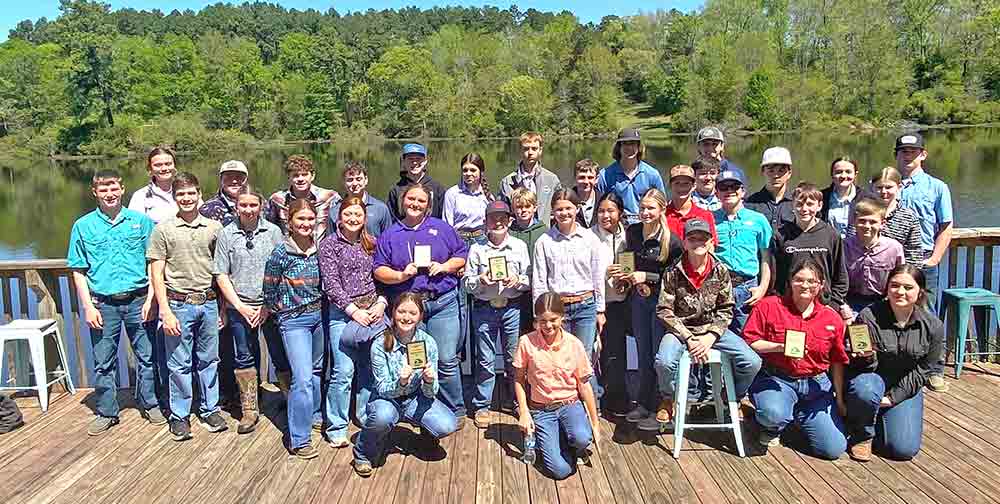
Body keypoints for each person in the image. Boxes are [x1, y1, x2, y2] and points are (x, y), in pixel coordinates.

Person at [67, 170, 163, 435]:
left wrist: (152, 299)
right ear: (95, 192)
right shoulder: (83, 226)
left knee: (146, 357)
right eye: (103, 189)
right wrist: (87, 306)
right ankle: (107, 411)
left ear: (122, 189)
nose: (109, 194)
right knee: (104, 360)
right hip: (103, 304)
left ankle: (150, 403)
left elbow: (154, 263)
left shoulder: (141, 222)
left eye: (113, 188)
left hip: (139, 300)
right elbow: (78, 269)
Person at [643, 219, 762, 431]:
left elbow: (727, 308)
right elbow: (664, 310)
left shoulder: (721, 270)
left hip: (712, 330)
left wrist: (710, 337)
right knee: (664, 362)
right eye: (692, 238)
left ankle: (732, 397)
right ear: (686, 243)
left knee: (752, 361)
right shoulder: (672, 271)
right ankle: (668, 399)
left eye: (703, 238)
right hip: (681, 330)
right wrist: (688, 338)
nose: (698, 242)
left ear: (710, 242)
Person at [374, 183, 469, 425]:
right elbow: (379, 270)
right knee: (413, 361)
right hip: (408, 309)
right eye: (411, 199)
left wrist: (445, 266)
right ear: (403, 201)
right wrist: (401, 276)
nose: (415, 204)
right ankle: (419, 408)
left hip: (442, 303)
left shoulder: (442, 228)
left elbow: (462, 254)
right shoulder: (390, 234)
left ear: (428, 206)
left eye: (421, 201)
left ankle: (455, 409)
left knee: (446, 359)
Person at [146, 172, 228, 441]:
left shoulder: (214, 228)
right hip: (178, 304)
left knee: (209, 360)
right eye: (181, 194)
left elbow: (222, 272)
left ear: (199, 194)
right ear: (174, 197)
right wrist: (165, 310)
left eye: (191, 193)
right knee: (178, 364)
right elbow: (156, 273)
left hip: (209, 303)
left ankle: (210, 409)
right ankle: (179, 415)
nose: (186, 198)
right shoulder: (163, 230)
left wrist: (223, 308)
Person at [743, 260, 849, 460]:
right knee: (772, 413)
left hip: (816, 386)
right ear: (790, 281)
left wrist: (840, 398)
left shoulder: (832, 318)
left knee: (833, 449)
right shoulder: (769, 306)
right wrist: (779, 347)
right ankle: (770, 424)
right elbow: (750, 341)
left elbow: (837, 361)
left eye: (811, 281)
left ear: (821, 285)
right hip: (777, 379)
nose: (805, 285)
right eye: (799, 280)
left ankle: (796, 417)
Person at [352, 292, 458, 476]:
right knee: (382, 416)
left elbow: (430, 393)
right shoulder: (380, 344)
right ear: (393, 313)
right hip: (386, 399)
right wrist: (400, 382)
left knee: (448, 424)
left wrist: (429, 380)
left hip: (415, 397)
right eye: (401, 311)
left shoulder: (428, 342)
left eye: (412, 313)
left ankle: (425, 438)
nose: (406, 317)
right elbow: (382, 388)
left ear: (420, 316)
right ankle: (362, 453)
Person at [844, 265, 943, 462]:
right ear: (887, 288)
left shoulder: (933, 326)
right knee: (865, 389)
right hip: (872, 378)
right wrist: (865, 356)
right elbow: (857, 367)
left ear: (920, 291)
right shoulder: (868, 316)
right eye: (894, 286)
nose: (900, 292)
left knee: (903, 449)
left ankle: (876, 418)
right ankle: (862, 435)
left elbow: (925, 369)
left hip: (906, 384)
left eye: (908, 287)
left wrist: (892, 398)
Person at [212, 186, 286, 434]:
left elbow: (281, 270)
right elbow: (221, 274)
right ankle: (250, 410)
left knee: (279, 354)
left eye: (253, 205)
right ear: (236, 206)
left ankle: (290, 399)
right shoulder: (226, 234)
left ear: (261, 206)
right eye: (243, 205)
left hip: (270, 306)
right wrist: (240, 306)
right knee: (243, 356)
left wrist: (267, 303)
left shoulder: (274, 232)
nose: (248, 209)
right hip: (239, 305)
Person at [320, 196, 388, 448]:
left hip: (373, 311)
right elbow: (331, 284)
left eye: (357, 214)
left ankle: (363, 414)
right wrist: (352, 311)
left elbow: (382, 277)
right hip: (343, 314)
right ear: (339, 217)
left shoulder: (373, 243)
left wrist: (381, 303)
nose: (353, 218)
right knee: (343, 371)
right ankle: (336, 425)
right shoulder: (329, 246)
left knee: (369, 367)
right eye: (348, 214)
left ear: (364, 218)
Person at [263, 199, 327, 459]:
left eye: (310, 219)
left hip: (318, 317)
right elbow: (269, 286)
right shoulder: (281, 252)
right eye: (300, 219)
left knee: (316, 371)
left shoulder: (320, 248)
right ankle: (299, 437)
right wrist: (279, 309)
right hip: (293, 321)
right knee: (301, 377)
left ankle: (313, 413)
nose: (306, 224)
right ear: (289, 222)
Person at [513, 293, 600, 480]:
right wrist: (524, 412)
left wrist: (595, 423)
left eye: (553, 320)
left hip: (569, 404)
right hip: (542, 409)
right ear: (536, 320)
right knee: (560, 471)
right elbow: (518, 379)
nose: (548, 326)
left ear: (562, 317)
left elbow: (584, 385)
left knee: (583, 438)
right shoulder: (526, 342)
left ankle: (566, 438)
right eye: (542, 321)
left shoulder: (574, 344)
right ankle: (556, 440)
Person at [532, 188, 608, 398]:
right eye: (559, 209)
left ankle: (591, 409)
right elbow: (539, 281)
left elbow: (597, 276)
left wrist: (600, 309)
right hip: (557, 309)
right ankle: (563, 403)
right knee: (559, 357)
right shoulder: (544, 241)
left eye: (568, 208)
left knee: (584, 358)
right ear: (552, 212)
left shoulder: (590, 239)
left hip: (585, 305)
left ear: (577, 209)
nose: (564, 213)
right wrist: (539, 316)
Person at [893, 132, 953, 391]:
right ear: (896, 154)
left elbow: (946, 225)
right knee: (894, 313)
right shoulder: (888, 185)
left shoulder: (937, 187)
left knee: (927, 314)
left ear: (923, 154)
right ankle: (900, 364)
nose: (907, 156)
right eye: (903, 151)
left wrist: (935, 258)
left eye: (912, 152)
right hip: (894, 263)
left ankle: (935, 368)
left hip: (923, 260)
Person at [464, 200, 530, 428]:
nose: (498, 222)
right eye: (493, 218)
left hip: (512, 307)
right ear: (486, 222)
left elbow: (529, 279)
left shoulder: (520, 246)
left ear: (510, 220)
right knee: (485, 359)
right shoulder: (476, 248)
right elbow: (466, 284)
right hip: (484, 308)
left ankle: (516, 401)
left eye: (503, 217)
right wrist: (480, 280)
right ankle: (482, 404)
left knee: (514, 358)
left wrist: (518, 281)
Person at [622, 188, 682, 425]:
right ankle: (643, 403)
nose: (645, 213)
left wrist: (646, 276)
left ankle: (663, 403)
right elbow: (628, 262)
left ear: (661, 210)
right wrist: (623, 275)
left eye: (651, 208)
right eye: (643, 208)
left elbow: (675, 279)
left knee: (659, 354)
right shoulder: (633, 231)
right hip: (638, 300)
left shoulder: (672, 241)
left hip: (661, 304)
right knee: (642, 352)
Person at [443, 152, 495, 367]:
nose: (468, 174)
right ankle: (459, 354)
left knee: (482, 293)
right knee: (461, 299)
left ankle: (483, 351)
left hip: (482, 242)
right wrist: (454, 257)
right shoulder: (452, 194)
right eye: (465, 170)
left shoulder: (489, 197)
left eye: (473, 170)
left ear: (481, 172)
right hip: (460, 242)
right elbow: (447, 226)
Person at [771, 182, 849, 314]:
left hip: (823, 306)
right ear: (792, 206)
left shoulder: (831, 235)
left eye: (810, 204)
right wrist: (779, 301)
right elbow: (775, 276)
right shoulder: (780, 235)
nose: (804, 209)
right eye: (799, 204)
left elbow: (840, 277)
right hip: (790, 306)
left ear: (820, 206)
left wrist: (833, 304)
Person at [712, 167, 771, 334]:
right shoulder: (710, 219)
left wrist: (762, 288)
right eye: (724, 187)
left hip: (747, 289)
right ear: (717, 193)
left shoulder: (758, 220)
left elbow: (766, 258)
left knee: (748, 341)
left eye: (734, 187)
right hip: (719, 288)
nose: (729, 191)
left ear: (743, 191)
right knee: (718, 341)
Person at [592, 192, 633, 417]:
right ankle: (610, 398)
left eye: (610, 210)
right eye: (601, 211)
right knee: (608, 352)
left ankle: (624, 395)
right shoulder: (590, 237)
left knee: (621, 352)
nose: (605, 215)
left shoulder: (629, 236)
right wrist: (603, 273)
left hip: (625, 299)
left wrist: (627, 276)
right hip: (602, 302)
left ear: (620, 213)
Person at [842, 198, 904, 321]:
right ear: (854, 221)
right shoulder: (844, 246)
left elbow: (900, 279)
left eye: (873, 222)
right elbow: (835, 281)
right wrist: (842, 305)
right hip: (850, 302)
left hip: (882, 301)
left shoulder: (894, 248)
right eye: (862, 221)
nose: (867, 226)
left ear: (882, 224)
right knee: (853, 336)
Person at [596, 128, 665, 225]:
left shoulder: (652, 174)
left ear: (639, 147)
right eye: (625, 144)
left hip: (646, 224)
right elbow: (600, 207)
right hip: (617, 225)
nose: (629, 148)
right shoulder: (605, 175)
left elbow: (662, 204)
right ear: (619, 147)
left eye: (633, 143)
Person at [267, 154, 340, 240]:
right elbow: (269, 230)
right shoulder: (277, 200)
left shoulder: (330, 197)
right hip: (289, 251)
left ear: (312, 176)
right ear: (288, 177)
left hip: (321, 251)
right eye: (295, 175)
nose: (300, 179)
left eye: (304, 174)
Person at [499, 132, 562, 224]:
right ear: (520, 151)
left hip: (545, 233)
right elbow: (502, 211)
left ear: (540, 150)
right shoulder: (507, 182)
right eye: (526, 149)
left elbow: (560, 207)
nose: (530, 152)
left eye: (534, 148)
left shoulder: (552, 180)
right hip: (518, 233)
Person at [509, 187, 548, 336]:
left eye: (527, 206)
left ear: (535, 207)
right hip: (515, 290)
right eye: (519, 207)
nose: (523, 210)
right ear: (513, 208)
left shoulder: (543, 231)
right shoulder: (508, 231)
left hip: (537, 289)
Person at [870, 167, 924, 267]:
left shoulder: (909, 217)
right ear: (872, 187)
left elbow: (913, 254)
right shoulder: (862, 212)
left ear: (899, 187)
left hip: (895, 274)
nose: (884, 192)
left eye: (889, 187)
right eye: (879, 187)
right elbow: (851, 244)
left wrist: (907, 278)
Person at [326, 161, 392, 238]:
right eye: (350, 180)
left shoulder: (381, 209)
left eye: (358, 179)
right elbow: (329, 241)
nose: (354, 184)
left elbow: (388, 240)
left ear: (366, 180)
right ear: (344, 182)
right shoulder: (334, 211)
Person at [387, 143, 446, 221]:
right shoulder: (396, 189)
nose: (414, 163)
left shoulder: (438, 188)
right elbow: (392, 219)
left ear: (425, 161)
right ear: (403, 161)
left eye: (418, 159)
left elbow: (443, 216)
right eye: (410, 159)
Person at [819, 157, 874, 238]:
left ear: (855, 174)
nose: (843, 176)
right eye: (838, 172)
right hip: (828, 246)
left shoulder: (866, 198)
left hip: (856, 247)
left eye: (848, 172)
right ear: (832, 175)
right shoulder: (821, 197)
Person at [746, 146, 796, 232]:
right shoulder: (750, 203)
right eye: (771, 171)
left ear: (789, 173)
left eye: (781, 171)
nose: (776, 176)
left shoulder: (797, 203)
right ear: (762, 172)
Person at [665, 164, 718, 244]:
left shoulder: (705, 215)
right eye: (677, 183)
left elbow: (711, 245)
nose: (681, 187)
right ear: (670, 186)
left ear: (694, 186)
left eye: (686, 183)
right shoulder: (662, 215)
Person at [128, 146, 179, 224]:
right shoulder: (140, 196)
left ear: (174, 166)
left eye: (168, 164)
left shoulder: (187, 191)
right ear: (150, 169)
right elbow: (134, 227)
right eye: (158, 165)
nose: (164, 168)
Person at [200, 160, 251, 227]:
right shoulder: (207, 209)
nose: (234, 181)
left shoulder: (260, 205)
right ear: (221, 180)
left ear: (246, 179)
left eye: (239, 177)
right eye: (228, 177)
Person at [572, 159, 601, 228]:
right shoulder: (567, 200)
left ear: (596, 179)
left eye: (590, 177)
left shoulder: (603, 201)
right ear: (575, 178)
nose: (586, 181)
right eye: (582, 177)